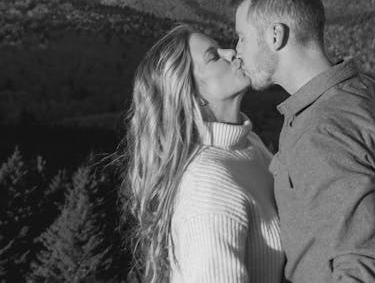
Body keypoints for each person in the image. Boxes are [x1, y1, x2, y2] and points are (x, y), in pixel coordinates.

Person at [231, 0, 375, 283]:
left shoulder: (324, 129)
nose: (237, 50)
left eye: (242, 36)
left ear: (275, 36)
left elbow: (364, 271)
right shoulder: (367, 93)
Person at [120, 24, 284, 283]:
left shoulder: (247, 144)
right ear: (192, 94)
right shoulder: (208, 185)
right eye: (213, 57)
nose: (232, 52)